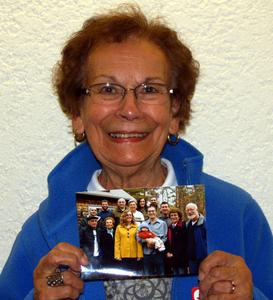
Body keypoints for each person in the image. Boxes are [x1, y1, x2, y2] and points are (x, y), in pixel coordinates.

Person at [0, 4, 272, 300]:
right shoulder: (40, 233)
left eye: (150, 89)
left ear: (174, 113)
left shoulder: (237, 215)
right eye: (107, 89)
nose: (129, 110)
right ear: (78, 113)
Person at [137, 205, 168, 276]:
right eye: (149, 211)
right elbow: (138, 237)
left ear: (156, 212)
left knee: (161, 273)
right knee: (148, 275)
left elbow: (165, 237)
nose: (151, 213)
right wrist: (147, 240)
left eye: (153, 211)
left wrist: (155, 244)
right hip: (147, 253)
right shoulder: (143, 224)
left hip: (159, 253)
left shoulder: (162, 224)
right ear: (147, 213)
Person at [185, 203, 207, 274]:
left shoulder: (205, 223)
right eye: (187, 210)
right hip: (192, 261)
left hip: (204, 260)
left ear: (197, 210)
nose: (189, 212)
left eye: (191, 210)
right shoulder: (187, 225)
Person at [165, 208, 187, 275]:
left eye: (175, 215)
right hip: (172, 258)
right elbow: (168, 241)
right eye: (171, 215)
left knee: (182, 275)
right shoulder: (170, 227)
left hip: (181, 257)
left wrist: (174, 254)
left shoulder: (183, 225)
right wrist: (168, 252)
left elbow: (182, 243)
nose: (173, 217)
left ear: (179, 216)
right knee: (175, 276)